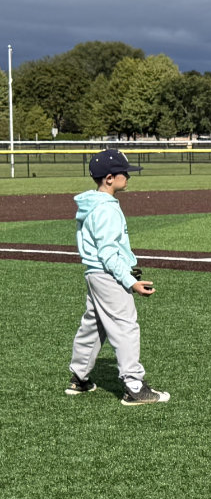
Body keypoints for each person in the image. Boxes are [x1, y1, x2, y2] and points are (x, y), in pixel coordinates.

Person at [66, 148, 170, 404]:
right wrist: (131, 281)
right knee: (125, 326)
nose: (128, 176)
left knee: (94, 325)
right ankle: (134, 386)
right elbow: (109, 253)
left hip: (94, 273)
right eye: (124, 172)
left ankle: (79, 378)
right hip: (107, 274)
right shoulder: (107, 209)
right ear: (109, 178)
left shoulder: (92, 204)